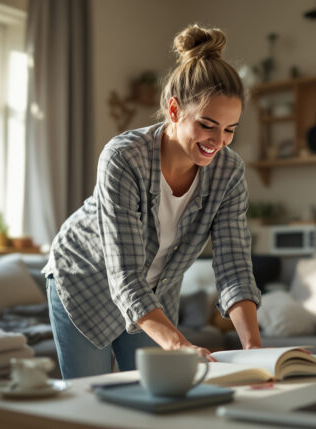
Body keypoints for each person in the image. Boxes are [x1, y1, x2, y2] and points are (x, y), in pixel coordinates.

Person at [42, 23, 262, 380]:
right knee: (88, 404)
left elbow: (234, 265)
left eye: (230, 129)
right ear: (174, 111)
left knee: (155, 398)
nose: (218, 141)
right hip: (85, 280)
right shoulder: (124, 158)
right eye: (207, 125)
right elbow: (124, 273)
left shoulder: (228, 171)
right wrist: (178, 345)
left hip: (153, 297)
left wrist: (255, 349)